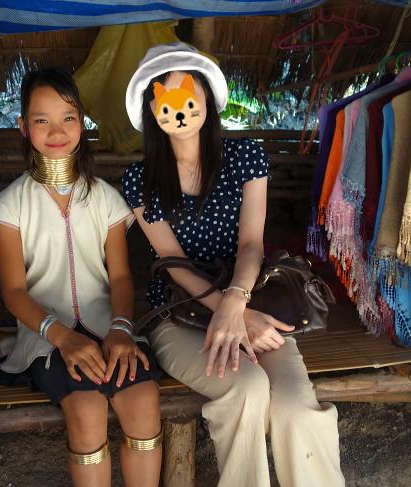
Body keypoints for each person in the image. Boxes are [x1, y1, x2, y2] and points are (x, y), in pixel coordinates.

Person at [122, 42, 344, 487]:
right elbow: (173, 264)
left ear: (206, 96)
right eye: (165, 101)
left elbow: (250, 244)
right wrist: (230, 312)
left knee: (297, 407)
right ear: (151, 109)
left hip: (249, 299)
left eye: (188, 95)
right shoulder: (139, 180)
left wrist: (238, 305)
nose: (179, 110)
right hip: (179, 314)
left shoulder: (246, 158)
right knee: (247, 388)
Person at [0, 68, 161, 487]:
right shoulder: (9, 206)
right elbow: (14, 292)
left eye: (68, 118)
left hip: (110, 328)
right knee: (86, 409)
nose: (57, 131)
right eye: (41, 120)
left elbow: (121, 278)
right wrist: (63, 337)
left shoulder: (106, 199)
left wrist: (121, 329)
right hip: (46, 336)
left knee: (143, 398)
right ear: (23, 127)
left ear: (82, 123)